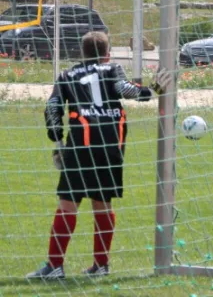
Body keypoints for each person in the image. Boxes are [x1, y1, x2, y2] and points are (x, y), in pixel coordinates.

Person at [26, 32, 171, 280]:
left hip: (81, 145)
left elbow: (52, 108)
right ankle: (101, 265)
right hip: (111, 145)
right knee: (102, 203)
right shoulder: (112, 69)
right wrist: (154, 88)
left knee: (68, 203)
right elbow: (125, 90)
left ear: (81, 53)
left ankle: (55, 266)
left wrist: (58, 141)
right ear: (107, 54)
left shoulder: (67, 75)